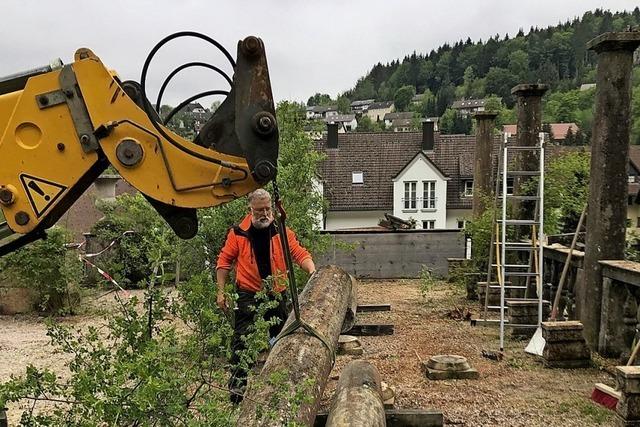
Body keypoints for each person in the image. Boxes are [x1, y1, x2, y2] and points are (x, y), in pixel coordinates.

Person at [216, 188, 315, 403]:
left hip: (276, 292)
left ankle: (281, 383)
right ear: (250, 209)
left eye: (268, 209)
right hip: (248, 293)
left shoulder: (280, 231)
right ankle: (237, 389)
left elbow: (298, 253)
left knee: (280, 338)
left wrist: (312, 271)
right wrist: (221, 292)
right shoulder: (238, 233)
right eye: (260, 209)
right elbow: (224, 263)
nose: (264, 213)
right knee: (243, 340)